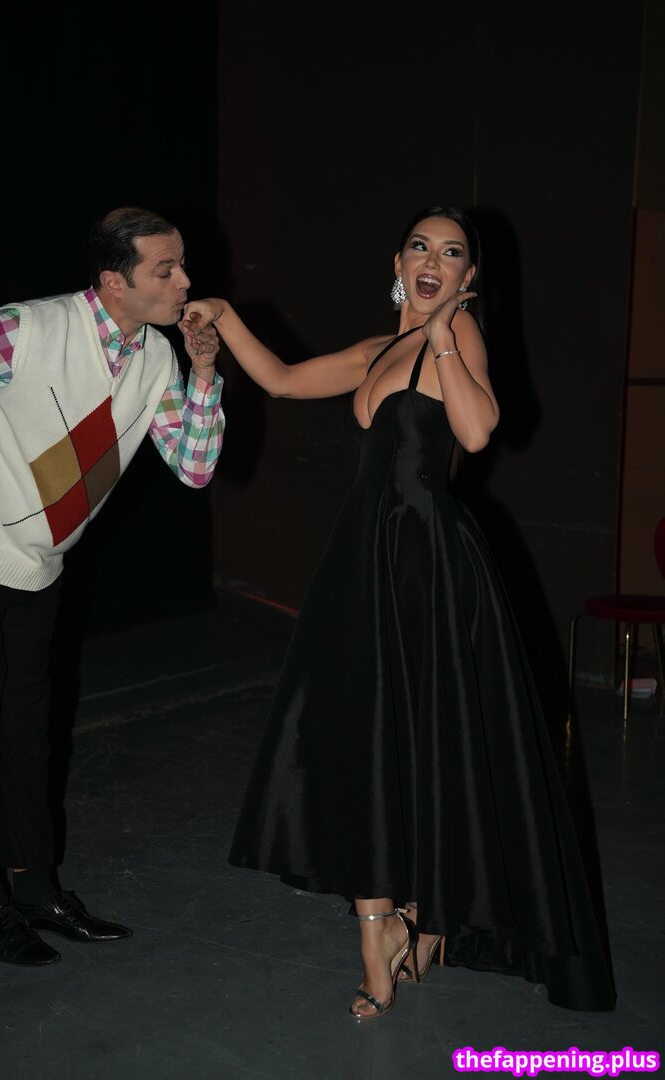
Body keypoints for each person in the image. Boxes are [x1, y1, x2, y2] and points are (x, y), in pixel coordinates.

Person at [181, 205, 616, 1018]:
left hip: (428, 565)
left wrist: (446, 333)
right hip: (363, 560)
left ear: (467, 278)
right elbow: (280, 380)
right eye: (420, 247)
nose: (432, 261)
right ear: (398, 262)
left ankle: (404, 930)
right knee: (368, 737)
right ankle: (387, 925)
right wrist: (226, 315)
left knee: (422, 735)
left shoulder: (460, 335)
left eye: (451, 254)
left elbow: (477, 433)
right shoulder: (373, 351)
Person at [0, 205, 224, 968]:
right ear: (114, 282)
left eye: (182, 265)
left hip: (39, 566)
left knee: (29, 732)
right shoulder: (26, 331)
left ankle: (36, 890)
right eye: (166, 269)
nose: (185, 281)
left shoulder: (157, 360)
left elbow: (195, 469)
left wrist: (202, 376)